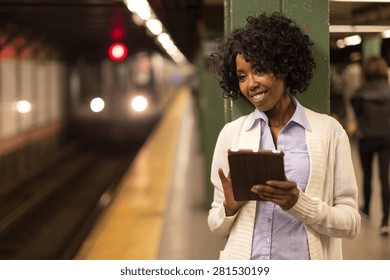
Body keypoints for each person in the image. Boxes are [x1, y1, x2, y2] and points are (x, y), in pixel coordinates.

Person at [207, 12, 361, 260]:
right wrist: (230, 207)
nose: (251, 85)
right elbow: (215, 225)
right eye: (242, 76)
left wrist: (298, 203)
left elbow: (351, 223)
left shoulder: (329, 131)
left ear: (283, 67)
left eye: (259, 70)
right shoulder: (231, 134)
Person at [351, 56, 390, 236]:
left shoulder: (359, 94)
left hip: (367, 138)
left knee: (367, 175)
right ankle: (385, 221)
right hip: (386, 138)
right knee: (384, 178)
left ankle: (366, 209)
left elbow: (357, 114)